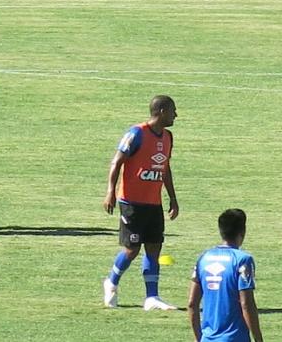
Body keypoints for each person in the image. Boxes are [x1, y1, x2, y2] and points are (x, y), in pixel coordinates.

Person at [102, 95, 179, 310]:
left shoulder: (168, 137)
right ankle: (111, 282)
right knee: (132, 249)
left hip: (153, 203)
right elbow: (117, 161)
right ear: (162, 111)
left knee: (154, 247)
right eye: (173, 110)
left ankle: (152, 297)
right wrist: (110, 192)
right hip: (132, 203)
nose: (176, 115)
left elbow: (165, 167)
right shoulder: (136, 133)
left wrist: (172, 197)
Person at [188, 209, 263, 342]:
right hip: (235, 338)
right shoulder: (243, 260)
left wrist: (198, 338)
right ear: (242, 232)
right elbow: (246, 303)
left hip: (207, 338)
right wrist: (258, 339)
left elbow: (192, 304)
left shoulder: (203, 258)